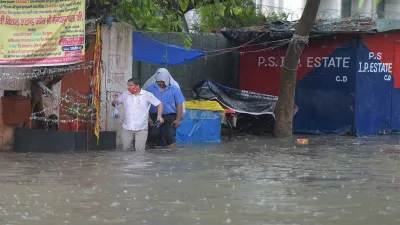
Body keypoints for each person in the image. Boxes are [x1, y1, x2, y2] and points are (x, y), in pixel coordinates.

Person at [112, 78, 164, 151]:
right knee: (126, 150)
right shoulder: (125, 94)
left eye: (130, 85)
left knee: (140, 151)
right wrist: (115, 101)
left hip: (141, 128)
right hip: (127, 127)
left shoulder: (147, 95)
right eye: (128, 85)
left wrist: (159, 116)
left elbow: (159, 104)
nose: (128, 87)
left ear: (137, 86)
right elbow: (114, 103)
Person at [146, 68, 185, 149]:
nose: (160, 83)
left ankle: (172, 156)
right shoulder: (150, 88)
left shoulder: (174, 88)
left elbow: (179, 104)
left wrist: (178, 119)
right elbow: (146, 104)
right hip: (155, 116)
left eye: (162, 81)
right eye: (158, 81)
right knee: (152, 136)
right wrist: (148, 117)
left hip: (170, 116)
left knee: (170, 137)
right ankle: (150, 155)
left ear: (167, 79)